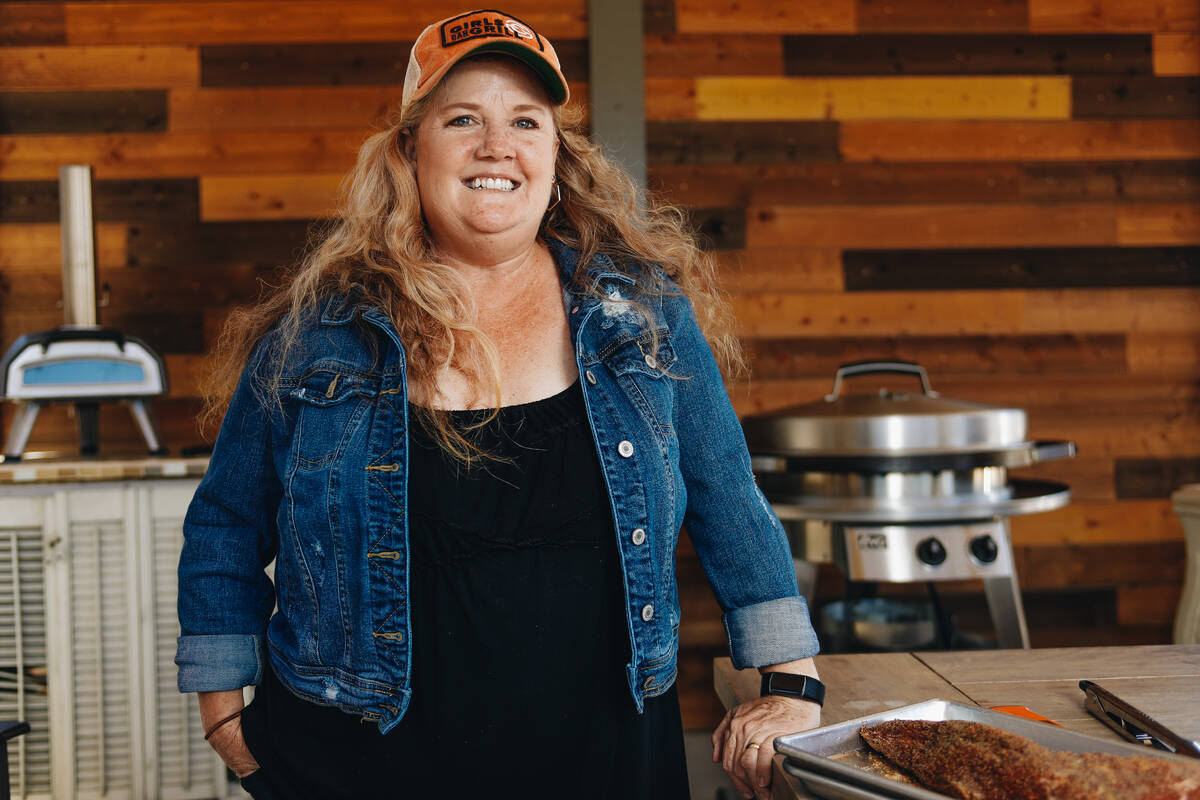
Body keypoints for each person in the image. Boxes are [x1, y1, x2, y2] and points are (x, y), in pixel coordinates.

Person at [176, 9, 822, 800]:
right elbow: (226, 521)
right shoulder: (318, 334)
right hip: (359, 765)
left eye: (525, 120)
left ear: (556, 154)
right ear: (410, 152)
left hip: (605, 760)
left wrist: (792, 685)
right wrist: (223, 720)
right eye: (462, 119)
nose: (496, 146)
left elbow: (729, 498)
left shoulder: (642, 319)